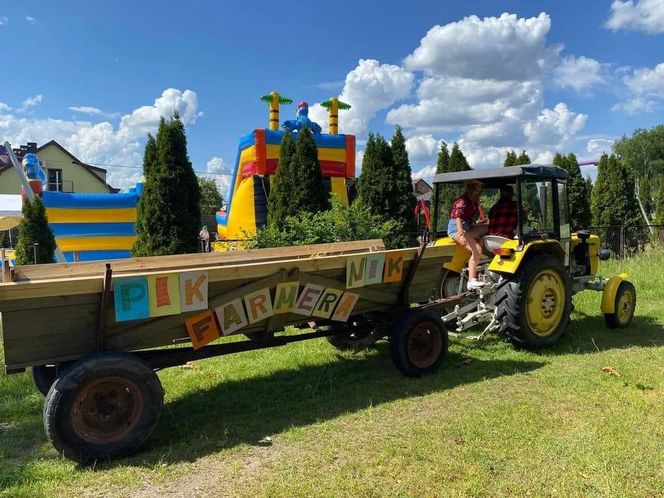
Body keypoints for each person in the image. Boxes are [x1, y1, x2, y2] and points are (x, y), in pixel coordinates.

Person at [447, 180, 488, 289]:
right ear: (472, 188)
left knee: (488, 227)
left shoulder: (472, 200)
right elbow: (458, 217)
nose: (480, 190)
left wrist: (476, 224)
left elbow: (467, 217)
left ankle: (483, 254)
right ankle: (471, 280)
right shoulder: (463, 200)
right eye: (478, 187)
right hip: (457, 229)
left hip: (467, 226)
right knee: (477, 250)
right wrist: (461, 234)